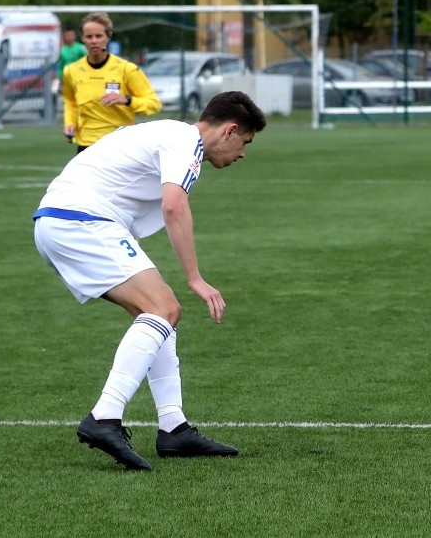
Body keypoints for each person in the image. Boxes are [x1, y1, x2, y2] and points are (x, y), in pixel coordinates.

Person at [33, 91, 267, 470]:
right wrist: (196, 278)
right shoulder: (184, 141)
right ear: (230, 130)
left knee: (158, 313)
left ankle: (173, 427)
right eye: (246, 143)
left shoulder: (171, 135)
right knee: (164, 308)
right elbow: (173, 205)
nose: (242, 153)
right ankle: (104, 417)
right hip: (80, 220)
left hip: (63, 220)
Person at [62, 12, 161, 151]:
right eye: (89, 36)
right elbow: (70, 102)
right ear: (82, 39)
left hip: (120, 145)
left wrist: (126, 100)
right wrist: (69, 123)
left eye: (99, 36)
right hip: (87, 145)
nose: (94, 41)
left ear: (108, 37)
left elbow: (154, 104)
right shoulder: (71, 71)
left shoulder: (127, 69)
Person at [53, 26, 87, 103]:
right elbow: (61, 65)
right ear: (64, 37)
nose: (69, 38)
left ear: (74, 36)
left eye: (71, 35)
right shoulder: (62, 50)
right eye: (67, 36)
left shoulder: (81, 48)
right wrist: (58, 78)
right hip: (67, 79)